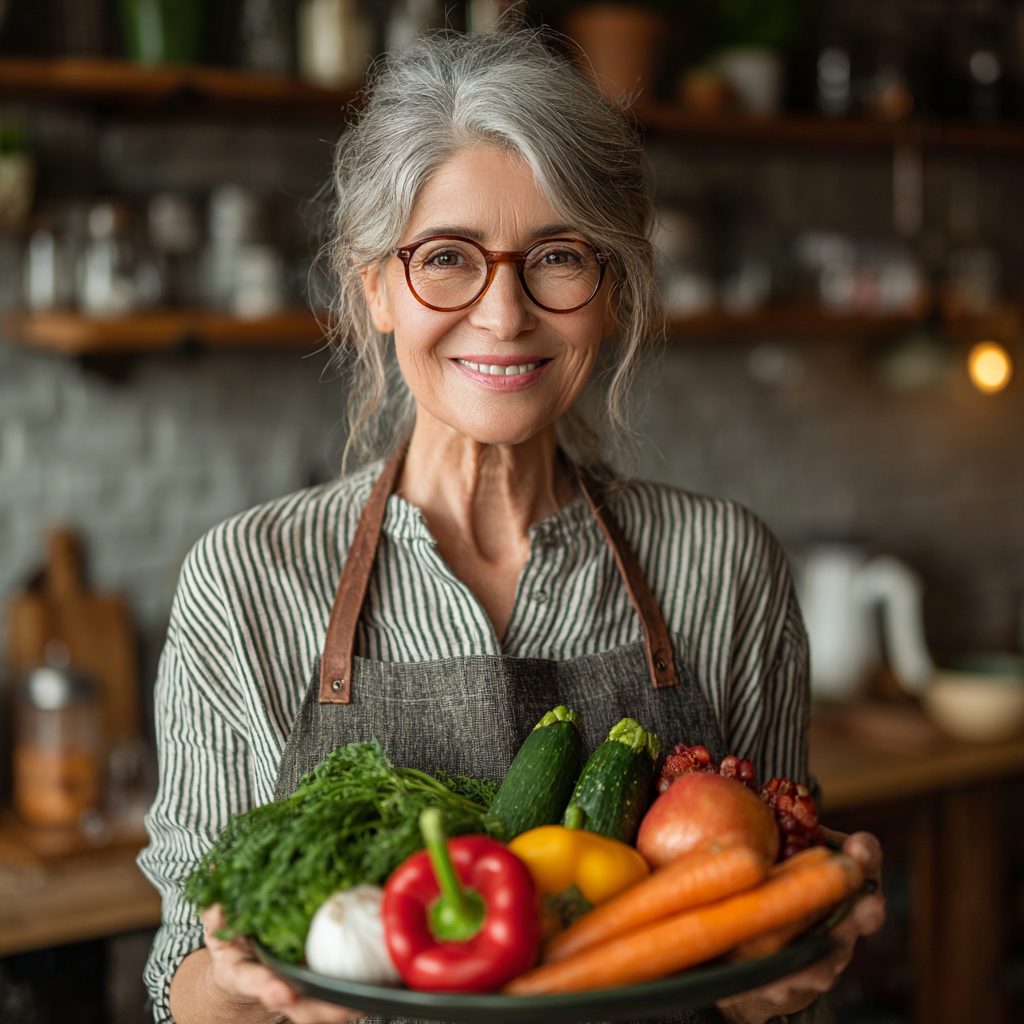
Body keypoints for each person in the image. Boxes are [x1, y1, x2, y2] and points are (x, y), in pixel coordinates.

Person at [138, 24, 885, 1024]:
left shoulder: (722, 562)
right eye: (447, 257)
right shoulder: (247, 580)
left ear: (609, 292)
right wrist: (241, 991)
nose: (503, 315)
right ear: (375, 287)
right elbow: (185, 970)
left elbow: (765, 946)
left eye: (558, 256)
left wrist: (794, 963)